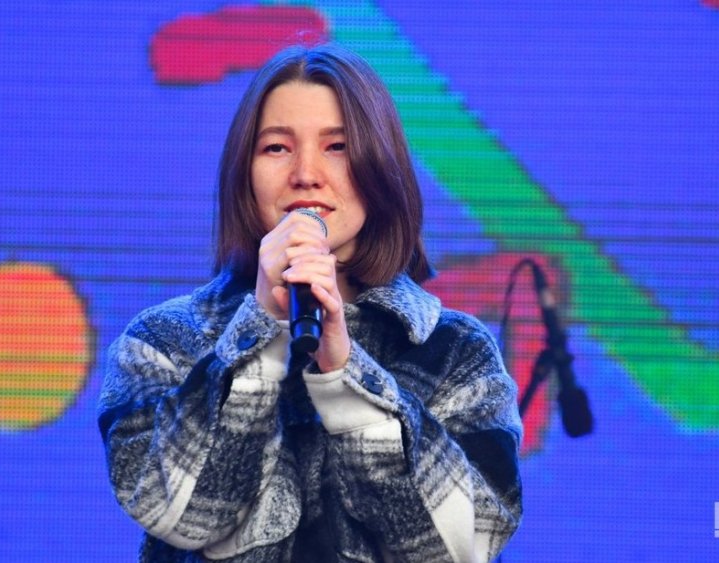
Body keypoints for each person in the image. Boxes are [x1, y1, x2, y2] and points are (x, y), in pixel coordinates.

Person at [98, 43, 522, 562]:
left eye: (337, 146)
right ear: (244, 172)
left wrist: (345, 375)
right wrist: (260, 328)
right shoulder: (163, 342)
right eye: (277, 148)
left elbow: (464, 548)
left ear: (380, 166)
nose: (306, 173)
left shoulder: (455, 351)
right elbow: (180, 513)